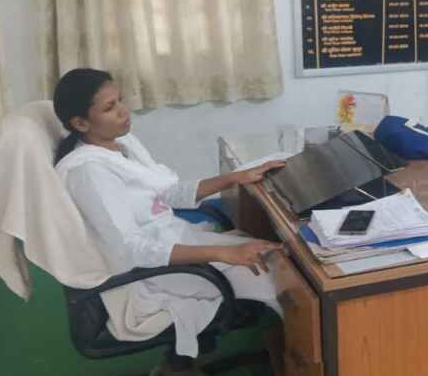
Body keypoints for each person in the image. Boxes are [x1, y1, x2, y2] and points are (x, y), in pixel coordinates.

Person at [53, 68, 286, 374]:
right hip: (150, 273)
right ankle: (302, 358)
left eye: (120, 100)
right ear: (80, 123)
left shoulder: (121, 144)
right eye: (110, 108)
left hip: (175, 245)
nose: (124, 111)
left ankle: (293, 345)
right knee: (282, 280)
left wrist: (234, 177)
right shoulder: (88, 173)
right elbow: (131, 249)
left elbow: (168, 193)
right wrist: (222, 253)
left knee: (278, 258)